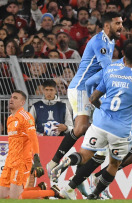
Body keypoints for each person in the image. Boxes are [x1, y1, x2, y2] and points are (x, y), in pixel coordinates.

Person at [53, 43, 132, 200]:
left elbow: (93, 97)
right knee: (114, 164)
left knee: (85, 155)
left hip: (100, 124)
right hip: (120, 130)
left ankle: (68, 182)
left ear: (123, 58)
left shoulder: (110, 71)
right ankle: (94, 194)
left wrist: (102, 110)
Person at [46, 11, 123, 178]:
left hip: (93, 90)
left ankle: (78, 179)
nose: (121, 27)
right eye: (117, 23)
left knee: (99, 136)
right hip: (81, 88)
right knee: (81, 128)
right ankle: (54, 162)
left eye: (121, 23)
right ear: (107, 25)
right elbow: (107, 70)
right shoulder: (99, 41)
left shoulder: (111, 41)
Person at [0, 90, 45, 199]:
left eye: (15, 98)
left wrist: (36, 158)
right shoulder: (9, 119)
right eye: (11, 97)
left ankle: (48, 193)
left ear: (22, 102)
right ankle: (38, 189)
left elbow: (33, 138)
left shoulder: (26, 116)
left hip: (21, 162)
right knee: (1, 196)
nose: (11, 99)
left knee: (15, 198)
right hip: (9, 161)